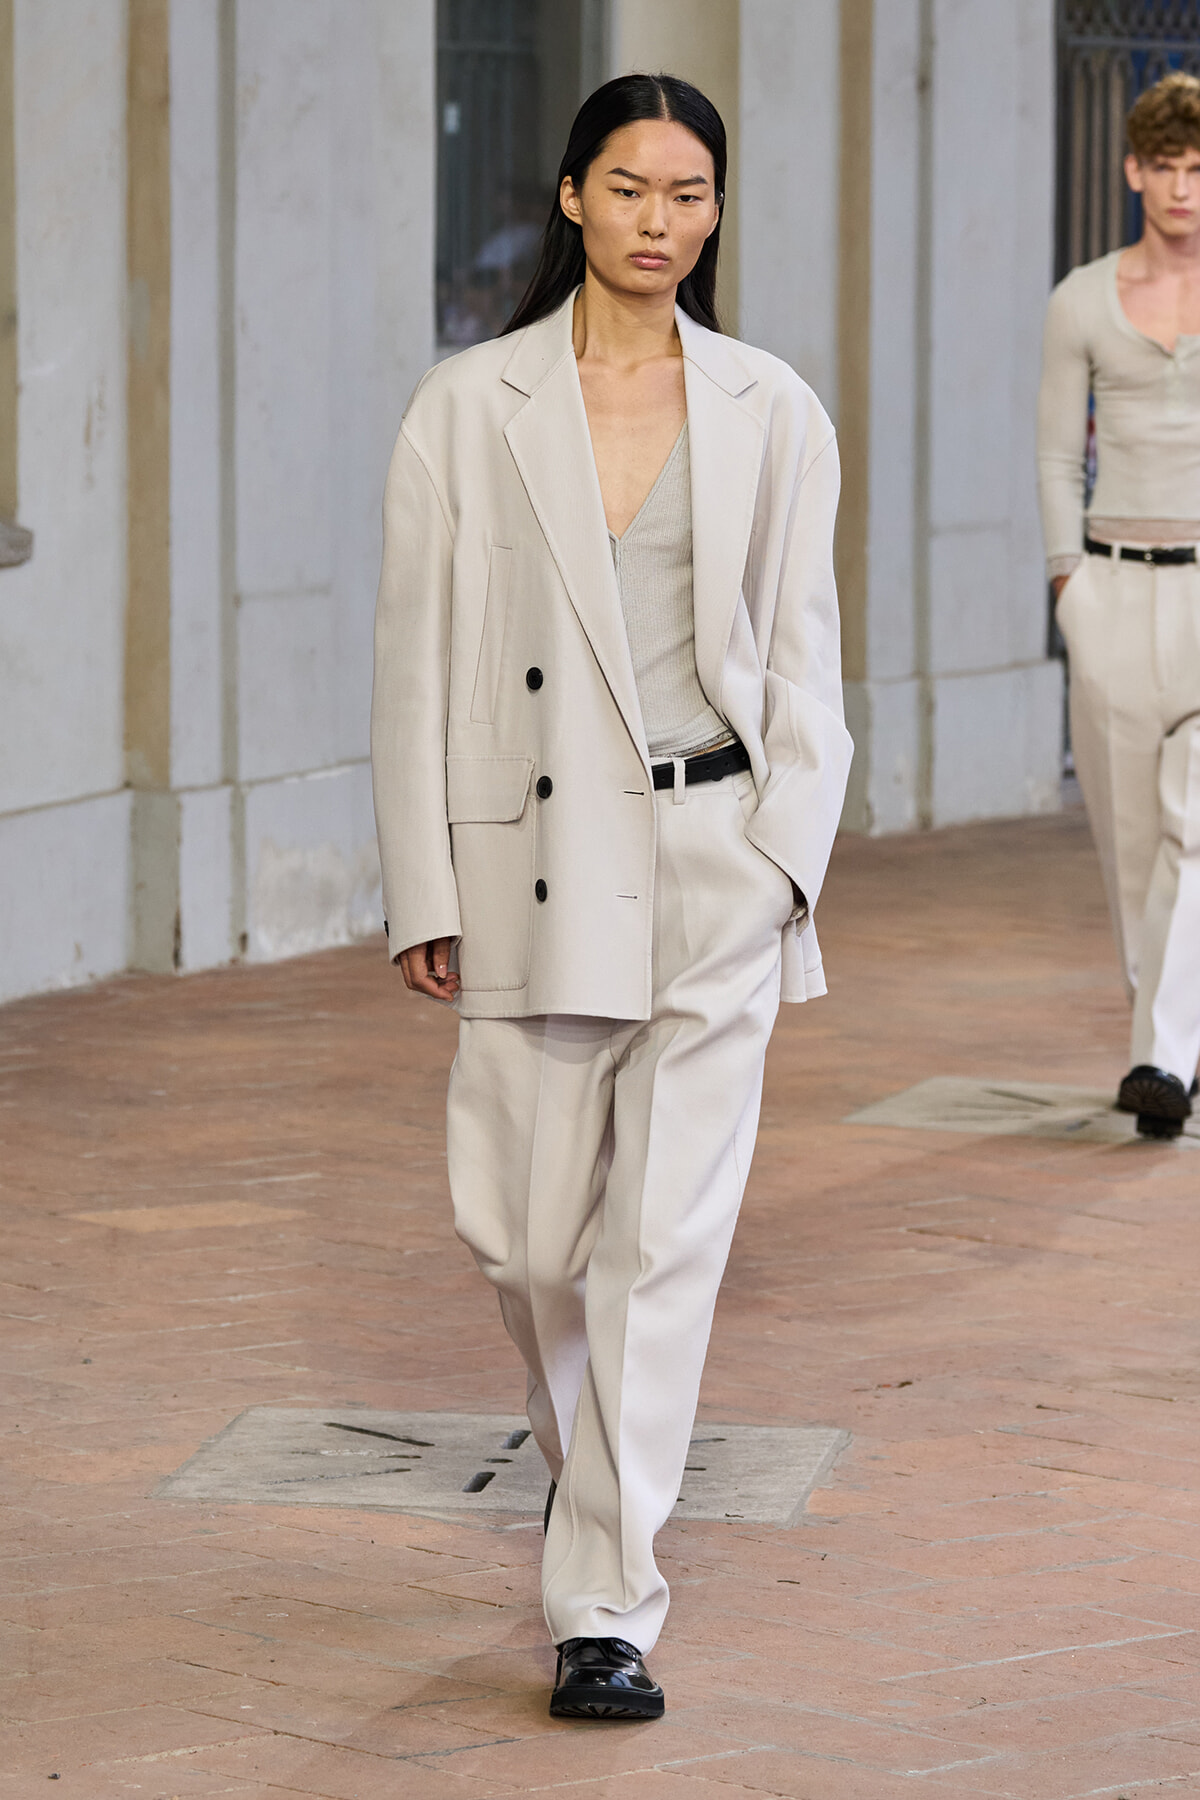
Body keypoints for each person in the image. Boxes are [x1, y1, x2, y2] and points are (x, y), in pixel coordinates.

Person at [371, 73, 851, 1717]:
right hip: (529, 868)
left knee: (662, 1245)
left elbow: (807, 665)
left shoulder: (771, 407)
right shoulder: (470, 404)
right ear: (573, 197)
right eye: (632, 188)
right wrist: (423, 883)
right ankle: (603, 1502)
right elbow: (415, 665)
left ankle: (605, 1603)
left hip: (716, 863)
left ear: (715, 214)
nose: (662, 221)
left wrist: (792, 859)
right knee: (516, 1238)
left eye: (691, 194)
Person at [1038, 70, 1200, 1141]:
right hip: (1111, 589)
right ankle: (1172, 1038)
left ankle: (1159, 1056)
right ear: (1134, 170)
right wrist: (1069, 589)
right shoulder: (1082, 300)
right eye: (1168, 167)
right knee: (1132, 848)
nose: (1185, 188)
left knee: (1196, 833)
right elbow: (1056, 451)